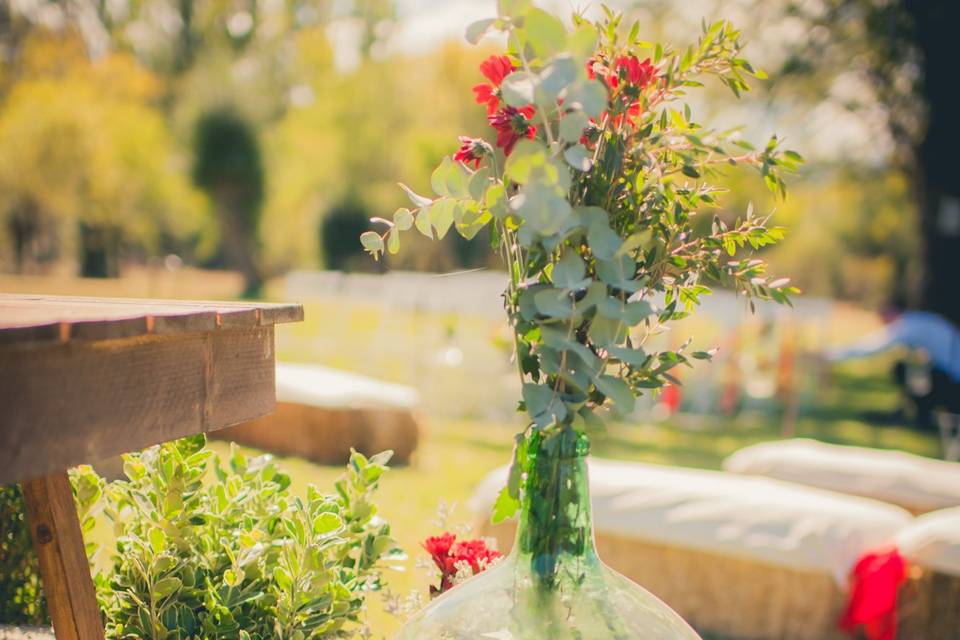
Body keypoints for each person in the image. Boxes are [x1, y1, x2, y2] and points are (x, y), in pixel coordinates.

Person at [825, 301, 960, 428]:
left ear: (892, 313)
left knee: (902, 369)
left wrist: (831, 354)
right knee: (912, 371)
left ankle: (923, 419)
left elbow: (874, 346)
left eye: (883, 320)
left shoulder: (907, 326)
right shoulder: (918, 321)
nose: (884, 325)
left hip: (953, 381)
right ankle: (919, 416)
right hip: (949, 375)